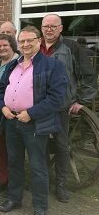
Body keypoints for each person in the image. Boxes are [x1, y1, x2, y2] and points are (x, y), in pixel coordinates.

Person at [0, 26, 68, 215]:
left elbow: (56, 98)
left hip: (35, 124)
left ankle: (39, 207)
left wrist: (31, 113)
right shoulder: (13, 65)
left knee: (38, 167)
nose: (25, 44)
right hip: (11, 121)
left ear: (39, 41)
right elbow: (0, 90)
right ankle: (14, 198)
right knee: (14, 163)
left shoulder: (51, 65)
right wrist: (2, 107)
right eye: (22, 41)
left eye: (30, 40)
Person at [40, 13, 97, 202]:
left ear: (61, 28)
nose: (49, 29)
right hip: (38, 106)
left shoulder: (72, 47)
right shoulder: (35, 47)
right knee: (38, 144)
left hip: (61, 106)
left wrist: (80, 100)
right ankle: (40, 180)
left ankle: (61, 185)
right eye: (45, 26)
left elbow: (88, 75)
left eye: (53, 26)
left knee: (62, 146)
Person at [0, 34, 20, 194]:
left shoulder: (19, 63)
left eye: (5, 45)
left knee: (13, 151)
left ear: (12, 45)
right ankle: (3, 179)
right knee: (0, 148)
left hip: (13, 113)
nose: (2, 48)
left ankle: (12, 183)